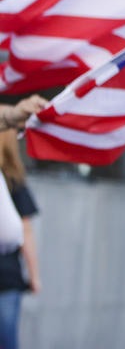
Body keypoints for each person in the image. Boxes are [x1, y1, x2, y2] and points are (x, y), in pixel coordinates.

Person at [0, 127, 42, 349]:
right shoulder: (14, 181)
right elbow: (26, 232)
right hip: (7, 277)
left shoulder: (11, 181)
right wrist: (35, 276)